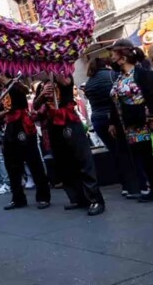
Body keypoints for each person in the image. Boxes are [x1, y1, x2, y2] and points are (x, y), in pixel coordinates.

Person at [33, 74, 105, 216]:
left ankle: (95, 199)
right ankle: (77, 198)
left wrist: (55, 69)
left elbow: (65, 81)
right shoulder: (44, 84)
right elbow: (36, 106)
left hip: (69, 122)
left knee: (83, 161)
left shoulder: (63, 74)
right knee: (64, 164)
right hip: (53, 125)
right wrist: (42, 94)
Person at [108, 39, 153, 202]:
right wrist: (113, 122)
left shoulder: (142, 74)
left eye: (114, 54)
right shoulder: (119, 78)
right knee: (143, 157)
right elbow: (115, 101)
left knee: (151, 156)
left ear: (123, 57)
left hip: (145, 123)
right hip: (130, 125)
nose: (112, 57)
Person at [0, 74, 50, 210]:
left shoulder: (16, 84)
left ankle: (43, 196)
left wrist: (16, 83)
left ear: (2, 74)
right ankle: (18, 197)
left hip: (23, 126)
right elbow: (7, 111)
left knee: (33, 161)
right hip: (11, 127)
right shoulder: (3, 89)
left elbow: (26, 90)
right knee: (11, 163)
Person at [84, 58, 140, 197]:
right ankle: (134, 184)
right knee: (124, 151)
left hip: (98, 119)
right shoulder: (112, 75)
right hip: (113, 118)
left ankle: (124, 185)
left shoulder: (89, 82)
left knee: (114, 152)